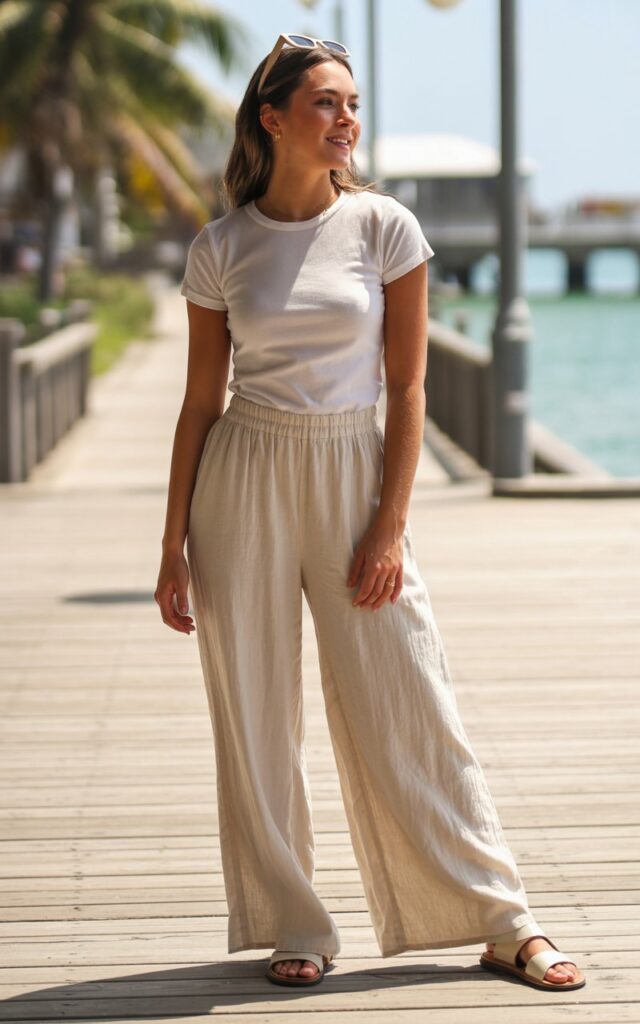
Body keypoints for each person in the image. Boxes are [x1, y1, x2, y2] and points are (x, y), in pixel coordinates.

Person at [155, 33, 586, 992]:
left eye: (352, 103)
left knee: (411, 697)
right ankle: (295, 922)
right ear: (273, 120)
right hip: (244, 474)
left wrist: (389, 525)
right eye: (326, 102)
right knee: (255, 715)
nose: (346, 118)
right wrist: (172, 544)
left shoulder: (386, 227)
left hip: (353, 468)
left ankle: (503, 920)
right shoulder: (221, 247)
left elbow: (409, 387)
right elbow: (199, 402)